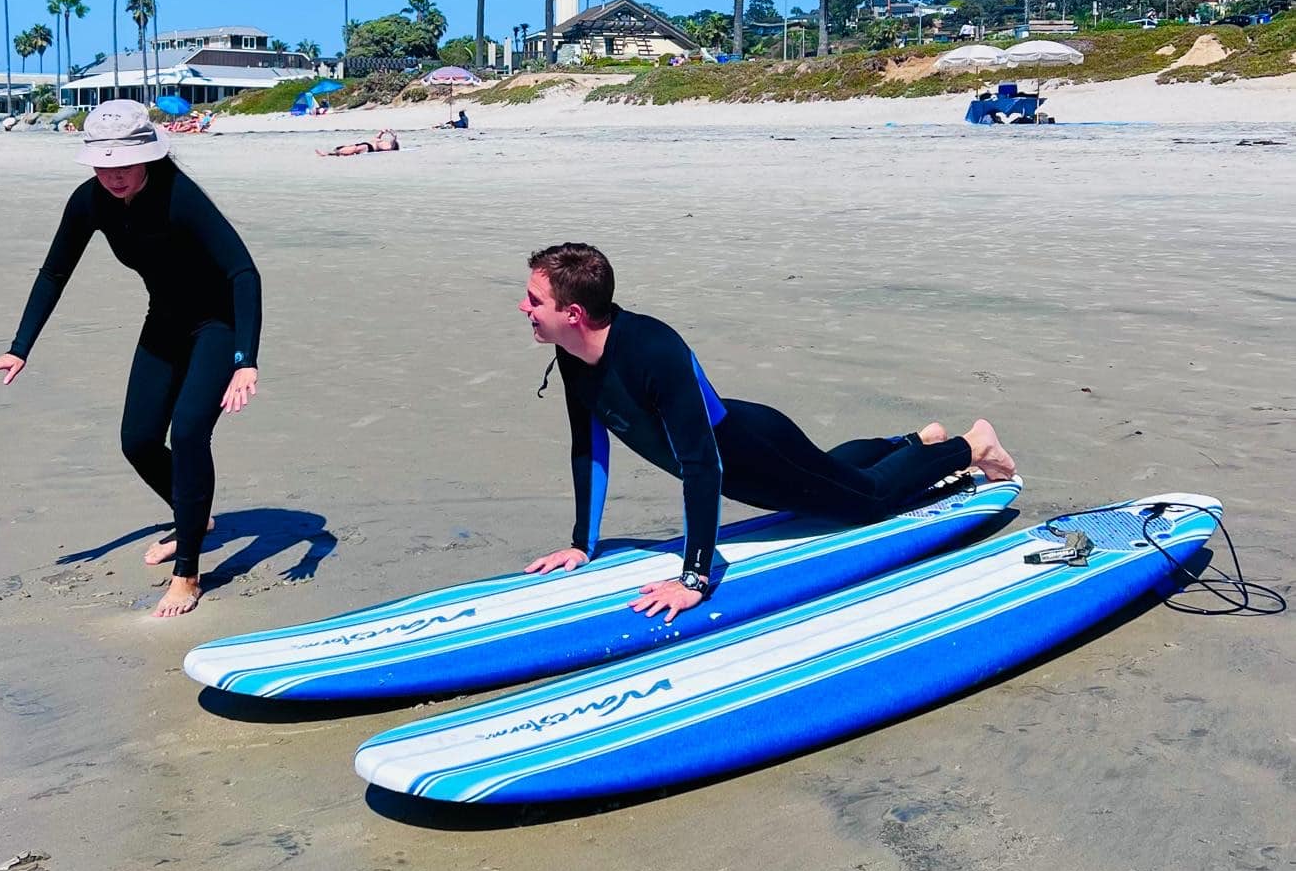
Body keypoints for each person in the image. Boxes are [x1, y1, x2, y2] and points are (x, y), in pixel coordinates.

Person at [519, 242, 1016, 624]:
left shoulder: (653, 350)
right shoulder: (573, 354)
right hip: (747, 461)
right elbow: (588, 445)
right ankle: (912, 442)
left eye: (534, 299)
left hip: (757, 451)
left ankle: (971, 444)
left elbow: (701, 464)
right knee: (830, 472)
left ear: (573, 313)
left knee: (869, 500)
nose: (524, 307)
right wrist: (583, 543)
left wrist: (694, 577)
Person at [0, 100, 262, 618]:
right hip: (164, 323)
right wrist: (19, 349)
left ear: (148, 155)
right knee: (139, 442)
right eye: (103, 166)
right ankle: (194, 514)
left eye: (124, 164)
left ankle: (188, 574)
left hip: (218, 325)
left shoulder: (181, 197)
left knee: (190, 432)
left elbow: (244, 273)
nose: (114, 176)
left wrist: (245, 359)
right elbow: (54, 272)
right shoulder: (90, 202)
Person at [317, 129, 399, 156]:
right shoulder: (382, 141)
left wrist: (393, 135)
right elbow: (376, 138)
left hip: (369, 147)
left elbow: (393, 141)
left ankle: (328, 154)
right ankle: (335, 152)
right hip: (366, 145)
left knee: (354, 149)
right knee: (349, 147)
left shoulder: (388, 146)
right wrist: (382, 132)